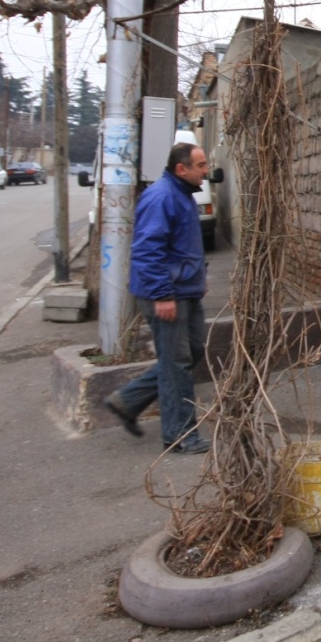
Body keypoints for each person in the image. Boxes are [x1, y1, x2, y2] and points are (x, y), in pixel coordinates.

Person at [104, 142, 212, 454]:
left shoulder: (182, 194)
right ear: (182, 169)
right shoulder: (162, 196)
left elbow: (183, 246)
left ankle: (127, 401)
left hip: (185, 291)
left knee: (190, 352)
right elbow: (147, 250)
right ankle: (180, 435)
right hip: (167, 295)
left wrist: (198, 279)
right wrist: (163, 294)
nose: (207, 170)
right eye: (201, 165)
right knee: (177, 363)